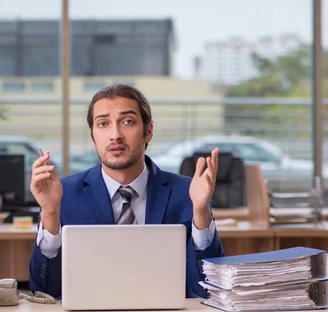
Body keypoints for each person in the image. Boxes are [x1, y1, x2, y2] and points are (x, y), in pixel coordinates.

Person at [28, 84, 224, 298]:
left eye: (128, 122)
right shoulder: (64, 194)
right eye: (103, 124)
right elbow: (44, 291)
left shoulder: (187, 193)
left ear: (148, 131)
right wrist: (49, 212)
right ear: (92, 137)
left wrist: (201, 212)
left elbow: (208, 289)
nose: (115, 135)